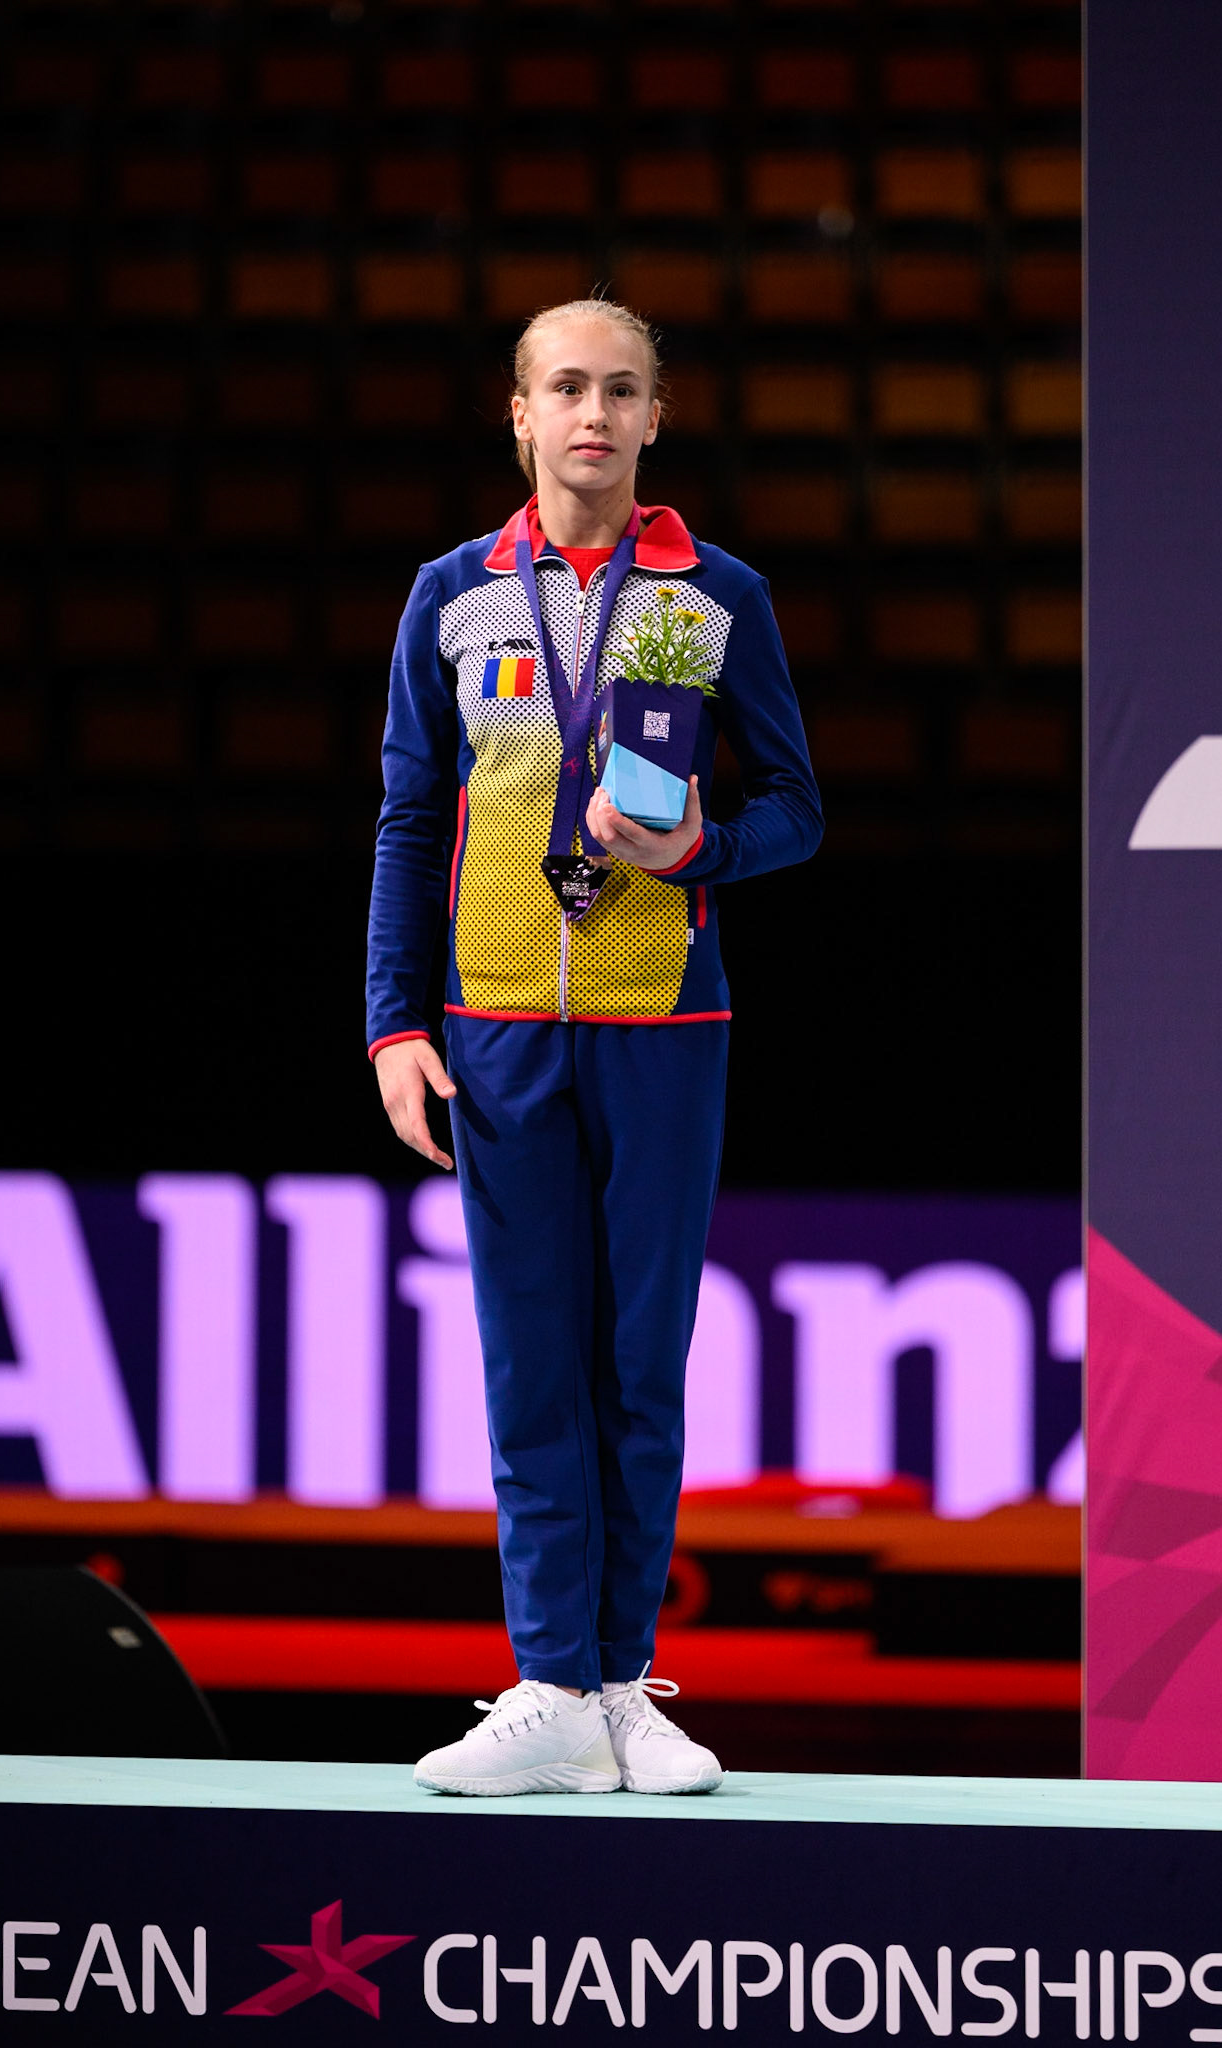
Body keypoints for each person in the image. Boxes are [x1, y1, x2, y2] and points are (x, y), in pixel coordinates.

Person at [366, 297, 822, 1796]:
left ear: (654, 416)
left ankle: (623, 1687)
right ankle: (546, 1686)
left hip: (664, 1028)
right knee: (528, 1370)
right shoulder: (449, 595)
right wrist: (392, 1022)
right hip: (494, 1035)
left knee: (639, 1362)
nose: (592, 415)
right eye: (565, 386)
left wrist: (699, 851)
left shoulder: (715, 596)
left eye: (621, 391)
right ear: (516, 412)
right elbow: (410, 819)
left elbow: (793, 812)